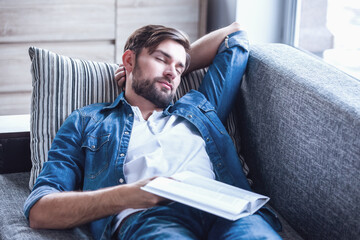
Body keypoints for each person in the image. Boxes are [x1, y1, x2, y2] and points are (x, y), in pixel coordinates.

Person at [24, 23, 282, 239]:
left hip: (229, 211)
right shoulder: (87, 120)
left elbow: (235, 36)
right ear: (128, 59)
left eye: (179, 68)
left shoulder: (200, 106)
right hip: (151, 218)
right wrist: (129, 195)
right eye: (161, 59)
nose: (172, 72)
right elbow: (40, 210)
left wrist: (176, 69)